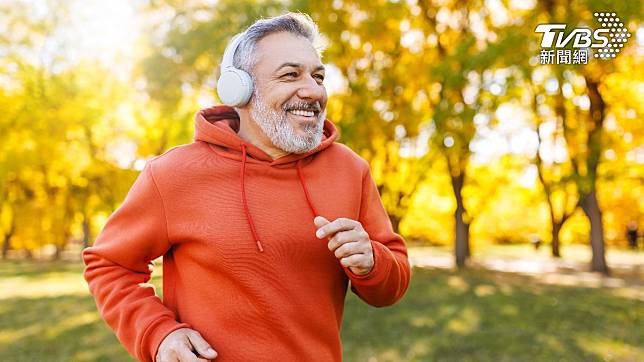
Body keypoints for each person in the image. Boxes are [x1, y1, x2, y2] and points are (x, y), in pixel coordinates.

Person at [83, 12, 411, 362]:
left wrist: (372, 261)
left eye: (318, 76)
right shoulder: (174, 173)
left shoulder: (350, 170)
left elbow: (391, 286)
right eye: (291, 75)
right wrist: (159, 333)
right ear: (239, 88)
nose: (314, 90)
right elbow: (109, 264)